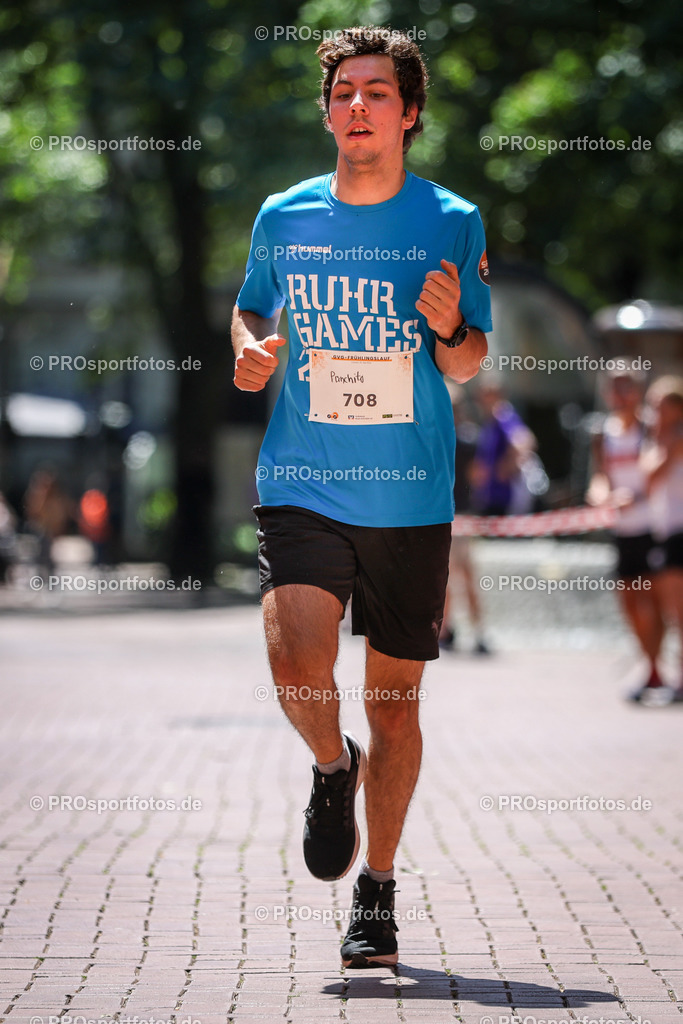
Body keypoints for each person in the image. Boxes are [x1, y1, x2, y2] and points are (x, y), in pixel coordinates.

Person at [232, 26, 491, 968]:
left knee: (393, 705)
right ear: (327, 109)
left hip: (410, 493)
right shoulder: (282, 216)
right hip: (300, 476)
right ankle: (328, 767)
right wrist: (249, 345)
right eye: (343, 92)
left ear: (409, 113)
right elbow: (254, 305)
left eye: (376, 93)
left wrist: (452, 326)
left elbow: (468, 362)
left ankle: (376, 892)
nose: (356, 107)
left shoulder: (452, 218)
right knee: (298, 668)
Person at [586, 366, 665, 703]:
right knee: (630, 603)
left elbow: (663, 469)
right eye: (614, 389)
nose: (620, 395)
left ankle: (655, 671)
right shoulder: (604, 432)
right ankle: (652, 667)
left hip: (655, 527)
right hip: (623, 530)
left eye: (626, 388)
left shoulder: (653, 426)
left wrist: (637, 495)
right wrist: (602, 497)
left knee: (657, 603)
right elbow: (600, 477)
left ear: (638, 390)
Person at [439, 383, 490, 654]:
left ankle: (451, 629)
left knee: (449, 575)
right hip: (459, 513)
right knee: (461, 575)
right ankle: (467, 630)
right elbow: (478, 477)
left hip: (447, 514)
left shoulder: (434, 437)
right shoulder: (469, 439)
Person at [641, 376, 683, 703]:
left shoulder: (675, 438)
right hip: (666, 531)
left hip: (678, 532)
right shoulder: (659, 439)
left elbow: (652, 475)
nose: (654, 411)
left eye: (660, 405)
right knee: (672, 610)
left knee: (679, 611)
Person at [470, 382, 538, 516]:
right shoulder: (489, 421)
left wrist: (508, 464)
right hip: (490, 494)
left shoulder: (504, 416)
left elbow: (525, 441)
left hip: (504, 496)